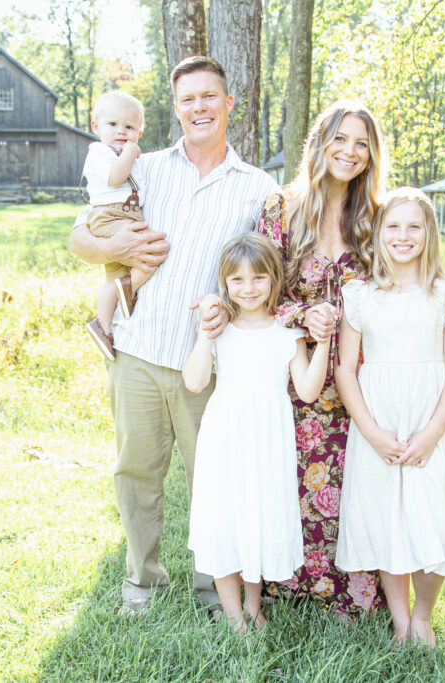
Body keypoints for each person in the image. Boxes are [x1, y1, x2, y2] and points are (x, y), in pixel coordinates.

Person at [253, 101, 445, 618]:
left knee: (364, 489)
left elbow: (417, 282)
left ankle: (365, 597)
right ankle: (292, 589)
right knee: (296, 483)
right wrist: (302, 313)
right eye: (341, 139)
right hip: (301, 376)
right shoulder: (281, 208)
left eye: (362, 143)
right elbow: (259, 294)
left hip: (371, 387)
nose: (350, 152)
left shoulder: (377, 215)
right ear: (320, 141)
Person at [69, 56, 278, 616]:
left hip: (205, 361)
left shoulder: (257, 187)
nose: (199, 108)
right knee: (136, 472)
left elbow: (266, 275)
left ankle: (216, 588)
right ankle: (143, 582)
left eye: (210, 96)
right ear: (176, 108)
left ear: (229, 104)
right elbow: (80, 231)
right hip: (136, 350)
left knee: (214, 477)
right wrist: (109, 250)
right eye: (188, 99)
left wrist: (230, 313)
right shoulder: (144, 167)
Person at [334, 188, 445, 647]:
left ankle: (423, 616)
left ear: (429, 232)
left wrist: (433, 432)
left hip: (428, 419)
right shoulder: (360, 294)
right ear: (378, 232)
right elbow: (345, 369)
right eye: (393, 226)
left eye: (414, 226)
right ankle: (399, 620)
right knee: (387, 518)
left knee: (429, 514)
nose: (403, 236)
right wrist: (371, 431)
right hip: (378, 421)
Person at [183, 233, 329, 631]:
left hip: (268, 439)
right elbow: (195, 381)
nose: (248, 289)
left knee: (257, 516)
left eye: (259, 279)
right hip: (226, 434)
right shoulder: (220, 328)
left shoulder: (287, 333)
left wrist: (324, 342)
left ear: (274, 280)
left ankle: (253, 604)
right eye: (237, 281)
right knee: (226, 516)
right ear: (225, 283)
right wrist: (204, 333)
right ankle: (233, 615)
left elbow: (308, 389)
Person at [81, 91, 151, 361]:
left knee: (120, 271)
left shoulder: (130, 157)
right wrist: (131, 152)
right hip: (109, 216)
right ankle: (122, 290)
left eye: (129, 127)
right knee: (153, 251)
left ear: (140, 131)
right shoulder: (99, 152)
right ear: (95, 127)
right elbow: (115, 177)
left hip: (125, 215)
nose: (121, 131)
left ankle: (104, 326)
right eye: (113, 124)